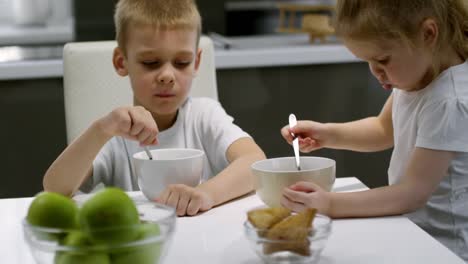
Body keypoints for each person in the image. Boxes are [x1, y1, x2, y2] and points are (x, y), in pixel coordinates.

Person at [280, 0, 468, 260]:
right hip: (412, 231)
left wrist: (331, 204)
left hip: (443, 248)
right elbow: (383, 129)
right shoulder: (416, 77)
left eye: (382, 59)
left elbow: (412, 193)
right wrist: (327, 133)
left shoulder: (449, 101)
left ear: (428, 34)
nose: (376, 72)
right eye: (367, 61)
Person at [43, 0, 265, 217]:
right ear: (122, 62)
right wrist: (101, 129)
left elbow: (255, 163)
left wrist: (206, 194)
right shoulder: (113, 134)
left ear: (196, 63)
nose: (167, 76)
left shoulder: (204, 115)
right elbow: (55, 190)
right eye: (151, 62)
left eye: (181, 63)